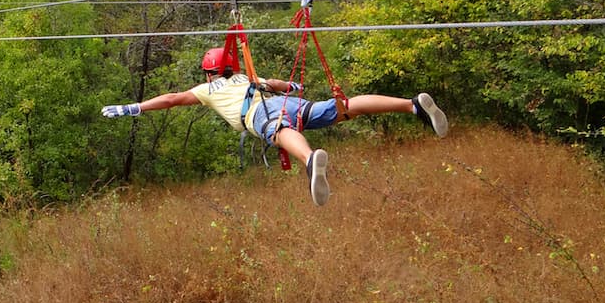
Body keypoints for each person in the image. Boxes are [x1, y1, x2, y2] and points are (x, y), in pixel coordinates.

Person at [101, 47, 447, 206]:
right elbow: (279, 85)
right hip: (286, 101)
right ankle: (412, 105)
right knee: (343, 109)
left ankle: (309, 160)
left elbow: (172, 99)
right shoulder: (245, 76)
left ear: (208, 73)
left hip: (259, 112)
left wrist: (134, 107)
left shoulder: (207, 89)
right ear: (231, 66)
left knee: (279, 132)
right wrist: (293, 87)